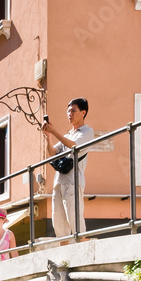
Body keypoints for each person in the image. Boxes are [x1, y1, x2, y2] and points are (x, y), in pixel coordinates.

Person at [43, 98, 94, 239]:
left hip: (73, 182)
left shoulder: (87, 132)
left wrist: (54, 132)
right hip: (59, 182)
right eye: (68, 110)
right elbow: (53, 153)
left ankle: (84, 253)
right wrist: (48, 136)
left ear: (83, 112)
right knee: (59, 224)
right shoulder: (67, 135)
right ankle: (63, 258)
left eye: (73, 110)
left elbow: (74, 146)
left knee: (75, 221)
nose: (69, 114)